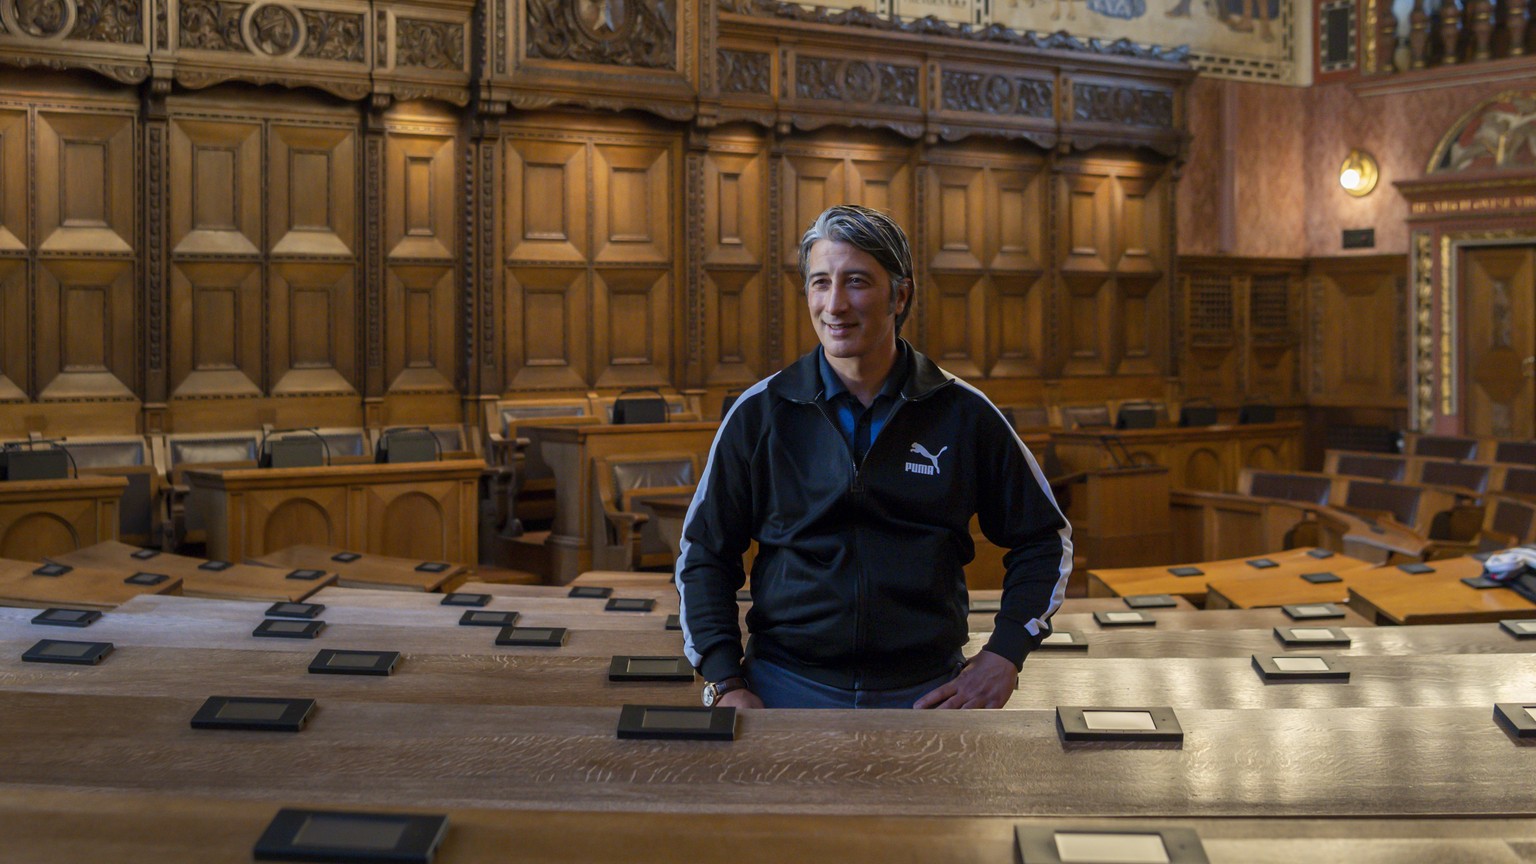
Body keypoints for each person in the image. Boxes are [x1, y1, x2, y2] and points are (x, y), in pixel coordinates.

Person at [675, 204, 1072, 710]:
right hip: (783, 689)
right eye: (820, 283)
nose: (834, 304)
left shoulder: (964, 413)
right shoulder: (761, 413)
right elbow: (704, 555)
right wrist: (724, 682)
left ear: (899, 295)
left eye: (856, 281)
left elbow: (1044, 538)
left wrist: (1005, 654)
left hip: (929, 696)